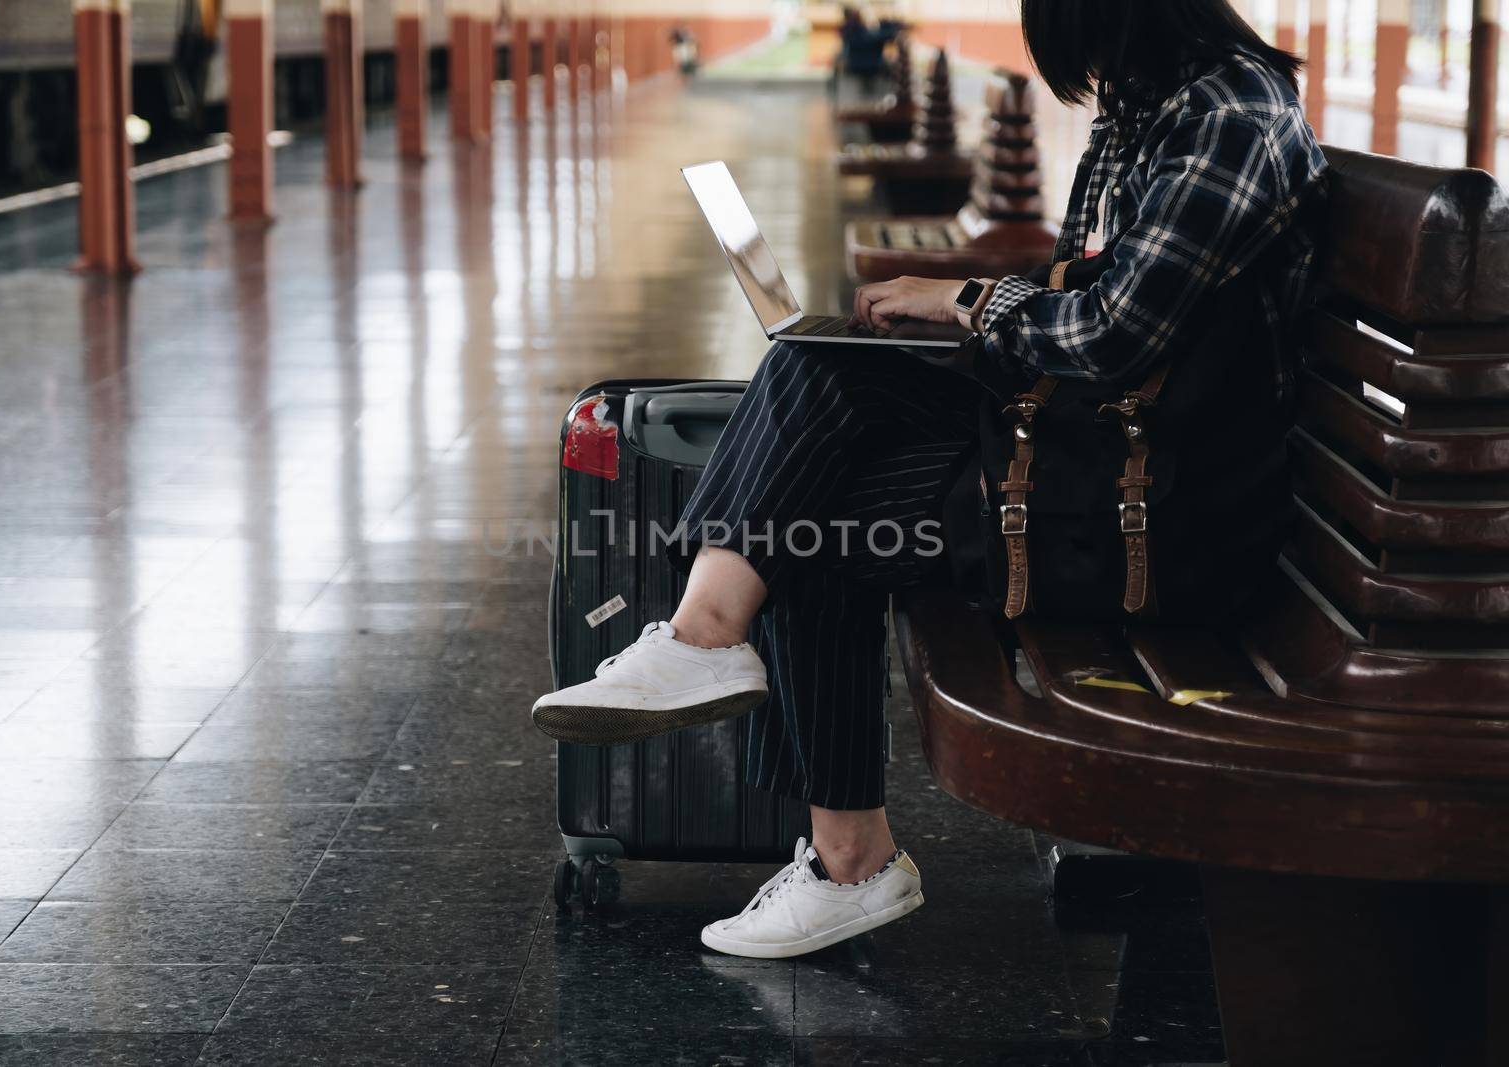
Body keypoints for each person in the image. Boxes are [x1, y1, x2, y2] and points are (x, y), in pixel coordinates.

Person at [533, 0, 1327, 960]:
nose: (1073, 63)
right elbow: (1082, 293)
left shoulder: (1229, 118)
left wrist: (963, 302)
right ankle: (726, 665)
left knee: (809, 519)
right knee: (817, 375)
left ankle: (841, 846)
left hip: (1163, 510)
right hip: (1101, 453)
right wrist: (946, 321)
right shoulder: (1153, 107)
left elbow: (1115, 335)